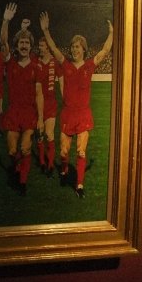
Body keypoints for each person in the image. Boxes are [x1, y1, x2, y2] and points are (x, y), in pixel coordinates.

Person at [39, 11, 113, 198]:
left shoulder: (89, 65)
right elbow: (54, 49)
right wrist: (46, 31)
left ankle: (79, 185)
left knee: (81, 152)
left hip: (83, 114)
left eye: (78, 47)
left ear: (84, 50)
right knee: (64, 152)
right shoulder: (65, 64)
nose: (74, 49)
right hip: (68, 113)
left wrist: (112, 33)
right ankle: (64, 169)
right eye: (72, 47)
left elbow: (105, 51)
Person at [0, 3, 44, 196]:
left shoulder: (36, 66)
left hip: (29, 113)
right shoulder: (10, 63)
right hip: (13, 111)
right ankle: (17, 168)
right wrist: (5, 21)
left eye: (27, 43)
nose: (24, 45)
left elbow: (39, 93)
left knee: (26, 149)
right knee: (12, 151)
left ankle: (22, 182)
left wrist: (40, 119)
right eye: (21, 43)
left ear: (30, 46)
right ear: (17, 46)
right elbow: (3, 42)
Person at [35, 36, 61, 177]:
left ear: (48, 47)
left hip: (50, 103)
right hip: (37, 103)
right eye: (39, 45)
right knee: (39, 135)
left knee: (49, 134)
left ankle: (50, 164)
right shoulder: (36, 62)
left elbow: (62, 81)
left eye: (42, 46)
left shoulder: (54, 62)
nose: (40, 48)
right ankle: (42, 162)